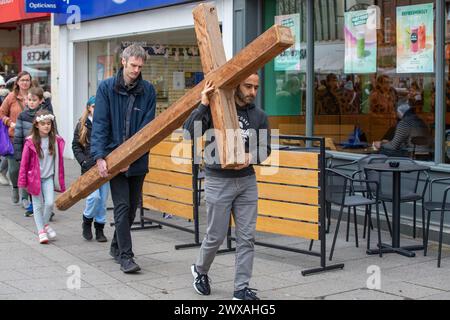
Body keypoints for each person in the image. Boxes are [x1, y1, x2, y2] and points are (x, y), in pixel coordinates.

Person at [183, 73, 271, 300]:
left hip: (247, 181)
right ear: (236, 84)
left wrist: (251, 157)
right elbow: (189, 133)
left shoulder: (260, 116)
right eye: (248, 86)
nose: (253, 92)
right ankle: (200, 270)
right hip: (218, 180)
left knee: (246, 237)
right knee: (216, 235)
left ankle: (241, 289)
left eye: (256, 87)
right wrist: (203, 104)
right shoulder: (216, 108)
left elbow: (266, 149)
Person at [91, 44, 156, 274]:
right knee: (122, 206)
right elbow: (100, 124)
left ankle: (116, 246)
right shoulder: (106, 88)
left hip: (138, 160)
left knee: (131, 210)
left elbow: (148, 129)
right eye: (133, 65)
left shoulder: (148, 91)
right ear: (123, 62)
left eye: (140, 66)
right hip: (113, 158)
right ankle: (126, 257)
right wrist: (100, 157)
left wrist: (134, 155)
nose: (136, 70)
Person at [17, 110, 65, 244]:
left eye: (48, 123)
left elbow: (59, 161)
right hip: (34, 178)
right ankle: (41, 231)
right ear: (37, 125)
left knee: (49, 203)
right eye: (43, 124)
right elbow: (24, 163)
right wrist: (22, 181)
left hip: (48, 177)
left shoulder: (55, 140)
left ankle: (44, 225)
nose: (46, 126)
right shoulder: (30, 142)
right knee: (37, 206)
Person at [14, 86, 55, 216]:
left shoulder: (46, 115)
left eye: (34, 100)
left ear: (40, 101)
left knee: (44, 178)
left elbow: (54, 131)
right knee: (32, 179)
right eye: (29, 100)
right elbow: (18, 135)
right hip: (29, 152)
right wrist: (19, 155)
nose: (31, 102)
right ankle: (34, 204)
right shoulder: (22, 115)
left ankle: (46, 208)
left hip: (43, 152)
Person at [72, 96, 109, 242]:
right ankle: (87, 221)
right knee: (94, 198)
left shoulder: (106, 123)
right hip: (88, 168)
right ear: (89, 107)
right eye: (94, 106)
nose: (97, 109)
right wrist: (83, 161)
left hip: (104, 168)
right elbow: (76, 146)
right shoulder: (82, 125)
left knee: (103, 201)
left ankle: (99, 229)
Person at [0, 71, 32, 207]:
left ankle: (24, 197)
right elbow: (1, 113)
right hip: (14, 138)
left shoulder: (34, 95)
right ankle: (15, 187)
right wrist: (9, 122)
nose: (25, 82)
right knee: (13, 170)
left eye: (27, 80)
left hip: (30, 139)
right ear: (17, 82)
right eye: (22, 80)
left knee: (26, 168)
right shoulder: (11, 97)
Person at [0, 75, 10, 186]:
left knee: (7, 151)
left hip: (5, 126)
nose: (2, 88)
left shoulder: (7, 97)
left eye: (3, 86)